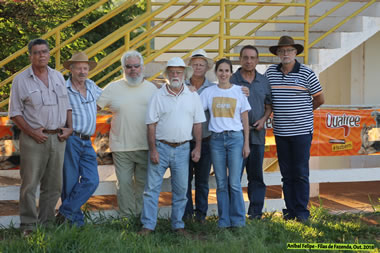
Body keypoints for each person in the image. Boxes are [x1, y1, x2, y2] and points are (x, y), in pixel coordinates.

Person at [8, 38, 72, 236]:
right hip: (34, 138)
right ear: (30, 55)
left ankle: (47, 224)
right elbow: (15, 112)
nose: (41, 55)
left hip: (59, 138)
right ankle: (28, 225)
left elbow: (67, 105)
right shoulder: (20, 80)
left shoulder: (59, 77)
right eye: (37, 52)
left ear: (49, 54)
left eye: (44, 51)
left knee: (54, 185)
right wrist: (31, 132)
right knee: (29, 184)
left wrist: (70, 128)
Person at [139, 57, 206, 235]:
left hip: (183, 148)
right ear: (167, 75)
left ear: (184, 74)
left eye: (179, 72)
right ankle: (148, 225)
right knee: (151, 188)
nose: (175, 75)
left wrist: (197, 147)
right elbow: (151, 124)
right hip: (161, 147)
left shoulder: (193, 95)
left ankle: (178, 225)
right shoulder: (157, 96)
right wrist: (153, 150)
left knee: (181, 189)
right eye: (172, 72)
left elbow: (198, 123)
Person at [265, 35, 325, 221]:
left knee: (300, 173)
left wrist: (304, 113)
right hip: (281, 132)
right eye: (282, 51)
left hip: (301, 132)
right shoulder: (270, 73)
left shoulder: (307, 73)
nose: (285, 53)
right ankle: (290, 212)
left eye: (289, 50)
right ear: (278, 54)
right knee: (286, 174)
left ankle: (302, 212)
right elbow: (267, 96)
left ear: (295, 52)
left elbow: (320, 99)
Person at [97, 50, 158, 217]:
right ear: (123, 68)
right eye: (128, 66)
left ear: (142, 67)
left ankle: (141, 218)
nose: (133, 70)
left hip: (146, 145)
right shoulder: (112, 88)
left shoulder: (152, 89)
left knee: (142, 185)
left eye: (136, 66)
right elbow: (92, 108)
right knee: (123, 184)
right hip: (121, 146)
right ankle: (127, 219)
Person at [200, 58, 251, 228]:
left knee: (234, 183)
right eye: (220, 70)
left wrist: (246, 144)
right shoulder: (208, 92)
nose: (223, 74)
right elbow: (196, 109)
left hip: (235, 139)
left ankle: (238, 221)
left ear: (231, 73)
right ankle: (224, 221)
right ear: (216, 72)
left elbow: (245, 119)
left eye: (227, 71)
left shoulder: (239, 92)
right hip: (216, 140)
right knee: (221, 183)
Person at [56, 52, 102, 226]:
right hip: (72, 139)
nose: (83, 72)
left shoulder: (92, 86)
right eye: (79, 68)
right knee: (70, 181)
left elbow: (106, 99)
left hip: (87, 141)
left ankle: (64, 212)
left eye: (85, 68)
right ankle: (75, 224)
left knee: (92, 180)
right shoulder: (63, 89)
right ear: (71, 70)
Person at [230, 45, 272, 220]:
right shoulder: (232, 79)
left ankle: (255, 213)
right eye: (245, 57)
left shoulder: (263, 81)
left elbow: (269, 106)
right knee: (234, 178)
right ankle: (235, 214)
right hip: (237, 136)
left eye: (252, 58)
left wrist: (263, 119)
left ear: (257, 60)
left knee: (256, 176)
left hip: (257, 135)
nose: (249, 61)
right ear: (240, 59)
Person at [183, 49, 214, 221]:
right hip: (185, 140)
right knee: (184, 180)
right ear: (190, 66)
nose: (198, 67)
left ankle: (201, 215)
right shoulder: (181, 86)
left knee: (202, 181)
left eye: (201, 64)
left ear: (206, 67)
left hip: (207, 140)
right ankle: (186, 215)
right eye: (195, 64)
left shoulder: (214, 88)